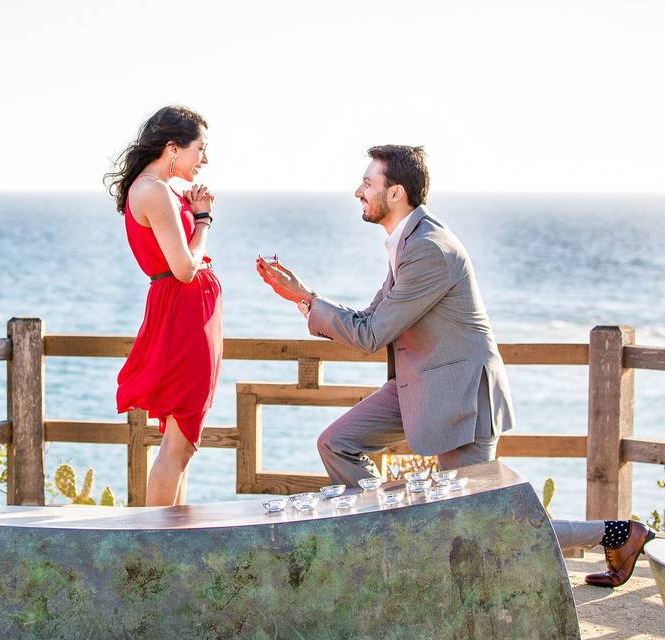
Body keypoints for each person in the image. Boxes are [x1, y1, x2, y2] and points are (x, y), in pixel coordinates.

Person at [255, 144, 654, 587]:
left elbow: (370, 336)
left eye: (368, 183)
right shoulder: (407, 242)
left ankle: (617, 533)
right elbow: (372, 320)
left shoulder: (429, 248)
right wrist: (306, 297)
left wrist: (306, 300)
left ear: (396, 194)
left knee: (484, 524)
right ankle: (401, 529)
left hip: (463, 397)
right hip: (420, 386)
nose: (357, 191)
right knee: (338, 443)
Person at [105, 106, 222, 507]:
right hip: (182, 313)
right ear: (173, 148)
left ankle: (175, 531)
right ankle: (157, 543)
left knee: (184, 441)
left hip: (187, 312)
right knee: (180, 440)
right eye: (200, 149)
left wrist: (190, 207)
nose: (204, 160)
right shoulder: (153, 190)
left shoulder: (162, 190)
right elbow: (186, 269)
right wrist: (203, 220)